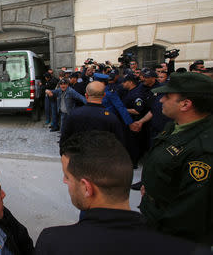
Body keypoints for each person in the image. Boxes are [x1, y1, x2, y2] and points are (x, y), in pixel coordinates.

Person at [36, 131, 204, 255]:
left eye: (67, 176)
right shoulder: (188, 249)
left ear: (87, 188)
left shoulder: (53, 242)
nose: (65, 181)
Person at [139, 72, 213, 244]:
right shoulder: (174, 126)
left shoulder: (204, 150)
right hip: (153, 212)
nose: (161, 100)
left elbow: (189, 210)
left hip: (170, 233)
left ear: (185, 104)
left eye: (167, 96)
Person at [59, 81, 124, 147]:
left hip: (79, 155)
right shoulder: (112, 118)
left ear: (86, 95)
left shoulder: (74, 115)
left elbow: (64, 140)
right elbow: (119, 144)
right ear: (104, 95)